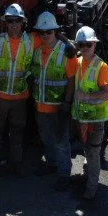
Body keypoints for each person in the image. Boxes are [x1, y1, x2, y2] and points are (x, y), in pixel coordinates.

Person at [30, 11, 77, 191]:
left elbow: (71, 79)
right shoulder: (37, 50)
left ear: (55, 32)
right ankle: (51, 164)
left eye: (49, 32)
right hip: (40, 105)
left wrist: (67, 103)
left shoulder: (66, 52)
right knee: (46, 137)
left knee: (61, 141)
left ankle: (64, 174)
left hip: (58, 108)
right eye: (42, 32)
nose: (45, 35)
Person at [0, 3, 34, 175]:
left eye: (17, 20)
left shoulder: (32, 40)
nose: (14, 24)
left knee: (17, 134)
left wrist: (69, 45)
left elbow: (52, 37)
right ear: (5, 22)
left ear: (23, 22)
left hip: (20, 99)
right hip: (0, 98)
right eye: (10, 20)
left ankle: (16, 164)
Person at [71, 26, 108, 199]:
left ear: (94, 45)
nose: (85, 48)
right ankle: (87, 176)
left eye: (88, 44)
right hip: (82, 117)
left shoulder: (101, 67)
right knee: (86, 149)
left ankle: (91, 188)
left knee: (93, 152)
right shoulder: (78, 62)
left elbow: (106, 93)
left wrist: (86, 96)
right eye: (81, 45)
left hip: (96, 119)